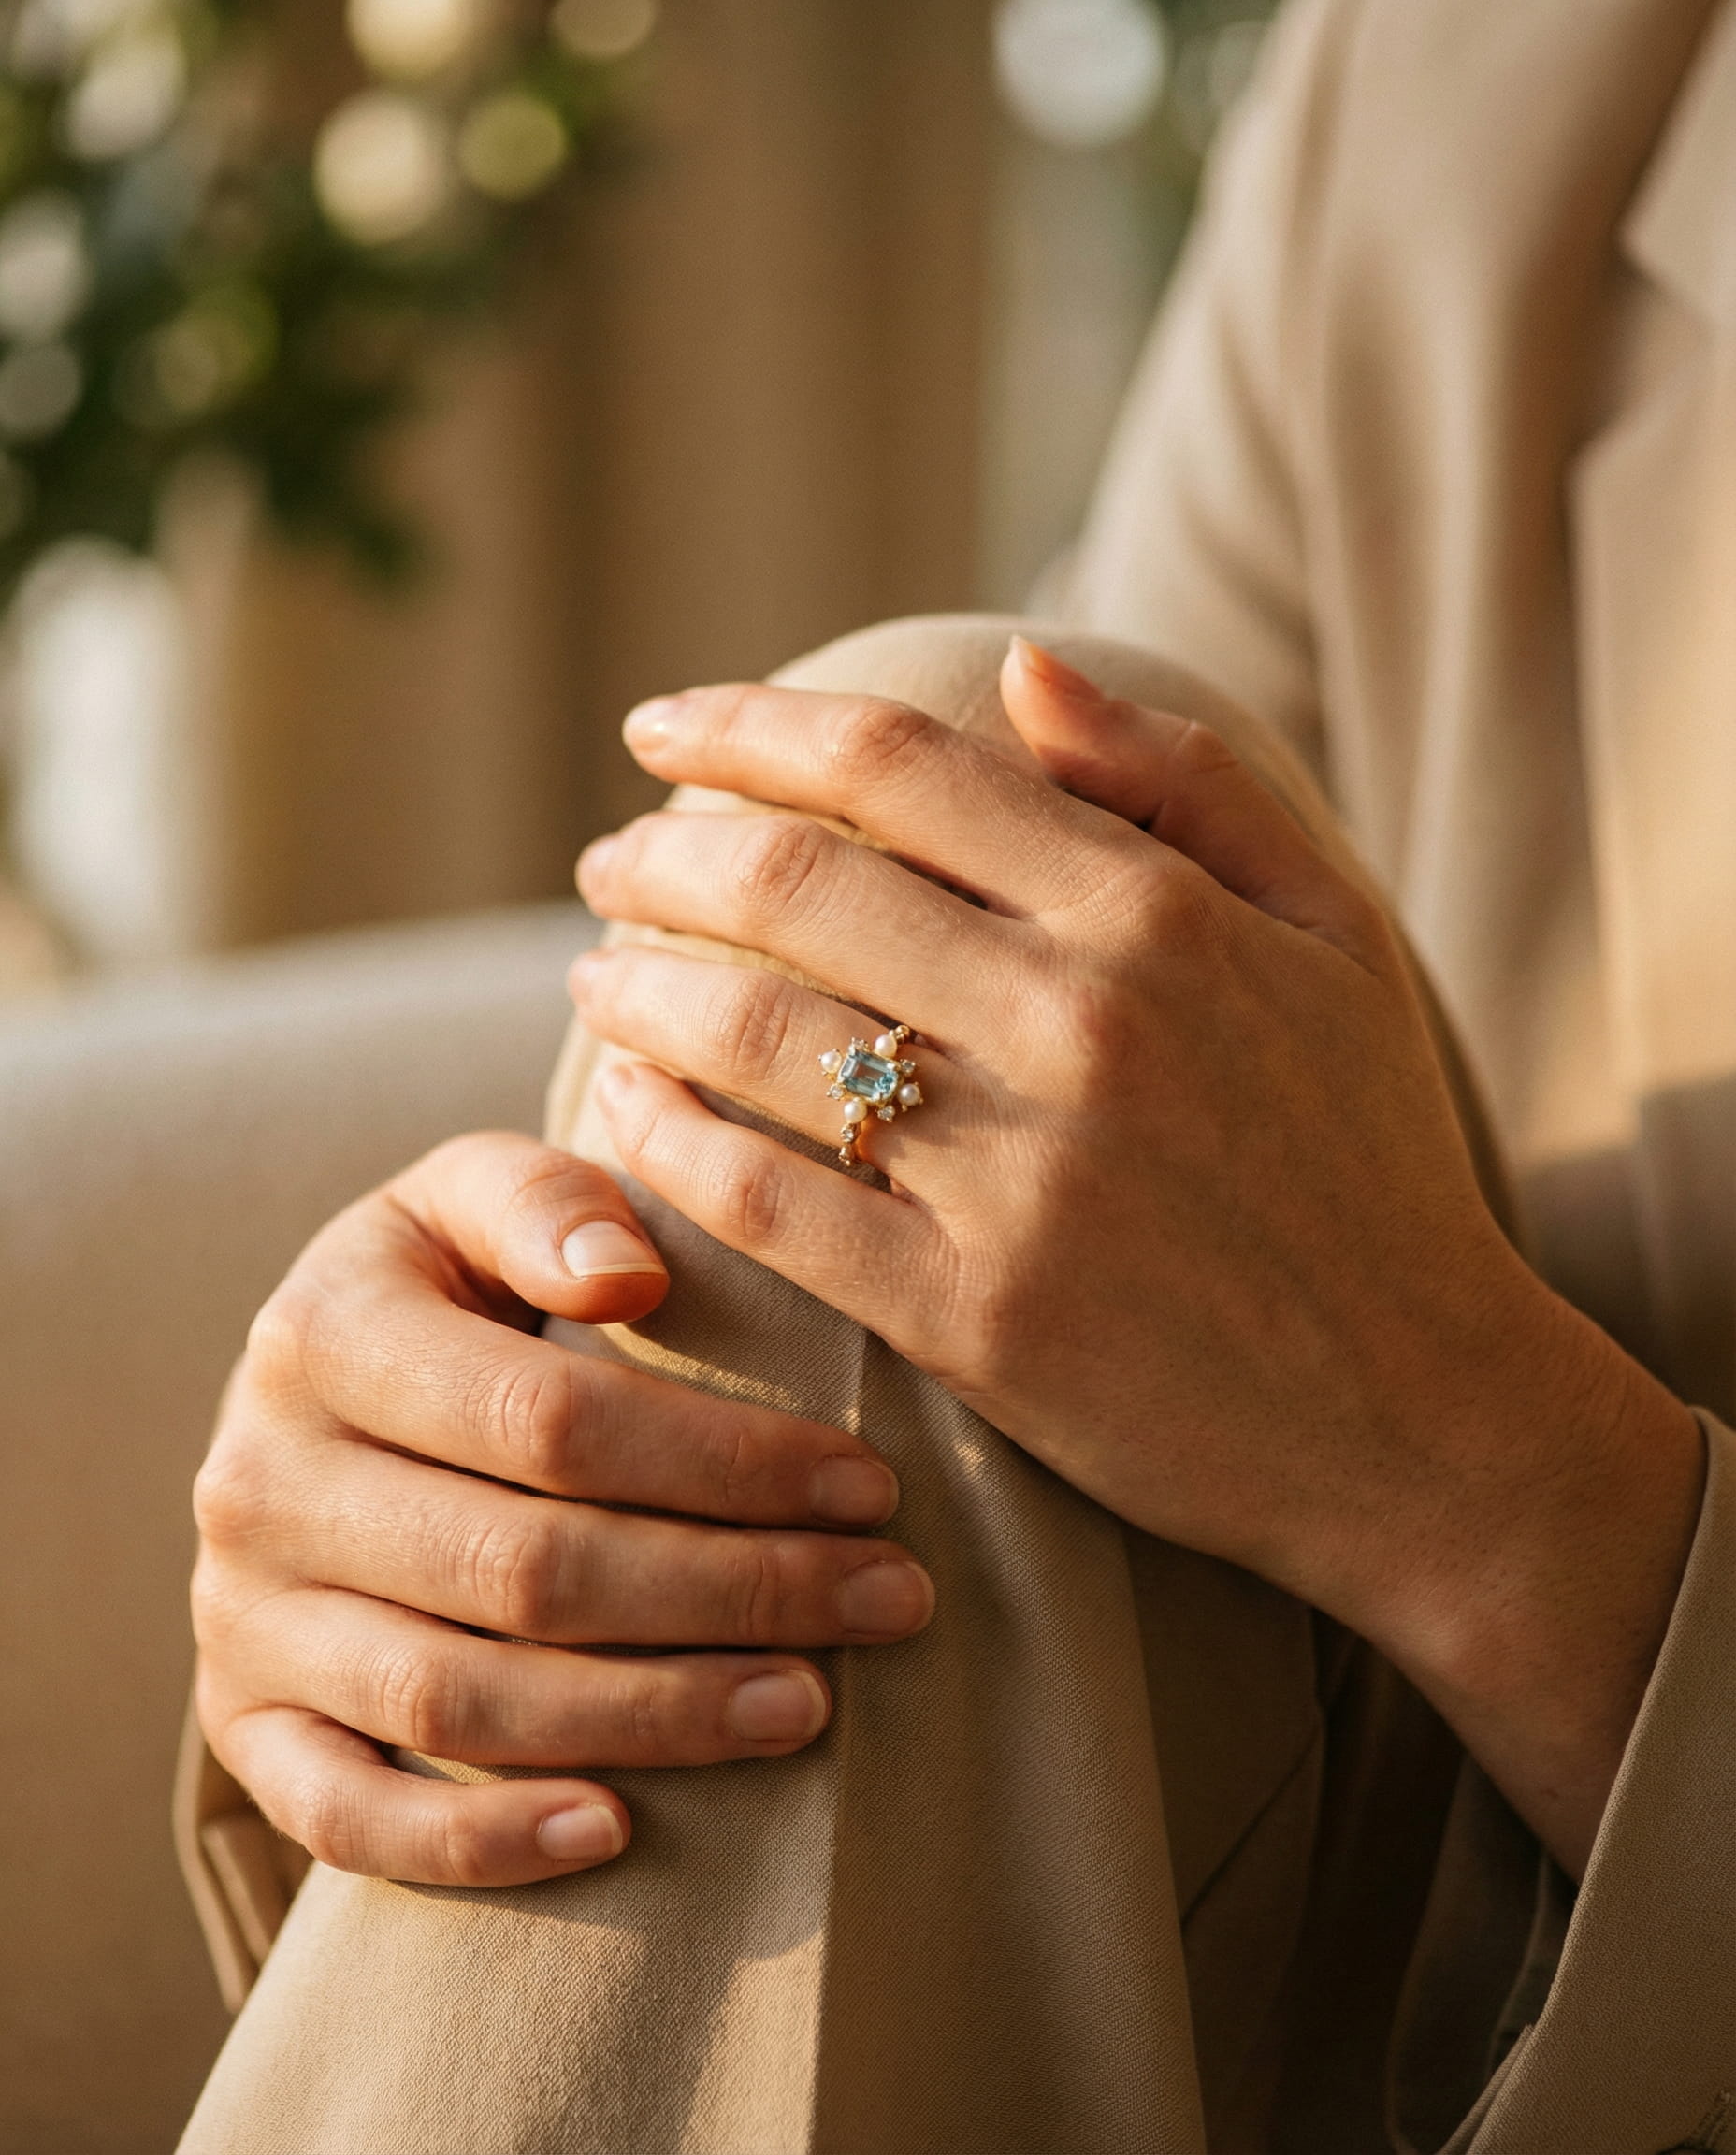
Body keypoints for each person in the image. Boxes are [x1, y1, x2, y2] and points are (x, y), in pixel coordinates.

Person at [176, 0, 1736, 2148]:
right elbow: (1073, 1011)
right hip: (1310, 1960)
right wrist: (444, 1501)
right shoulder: (1477, 87)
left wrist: (1478, 1480)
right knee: (930, 861)